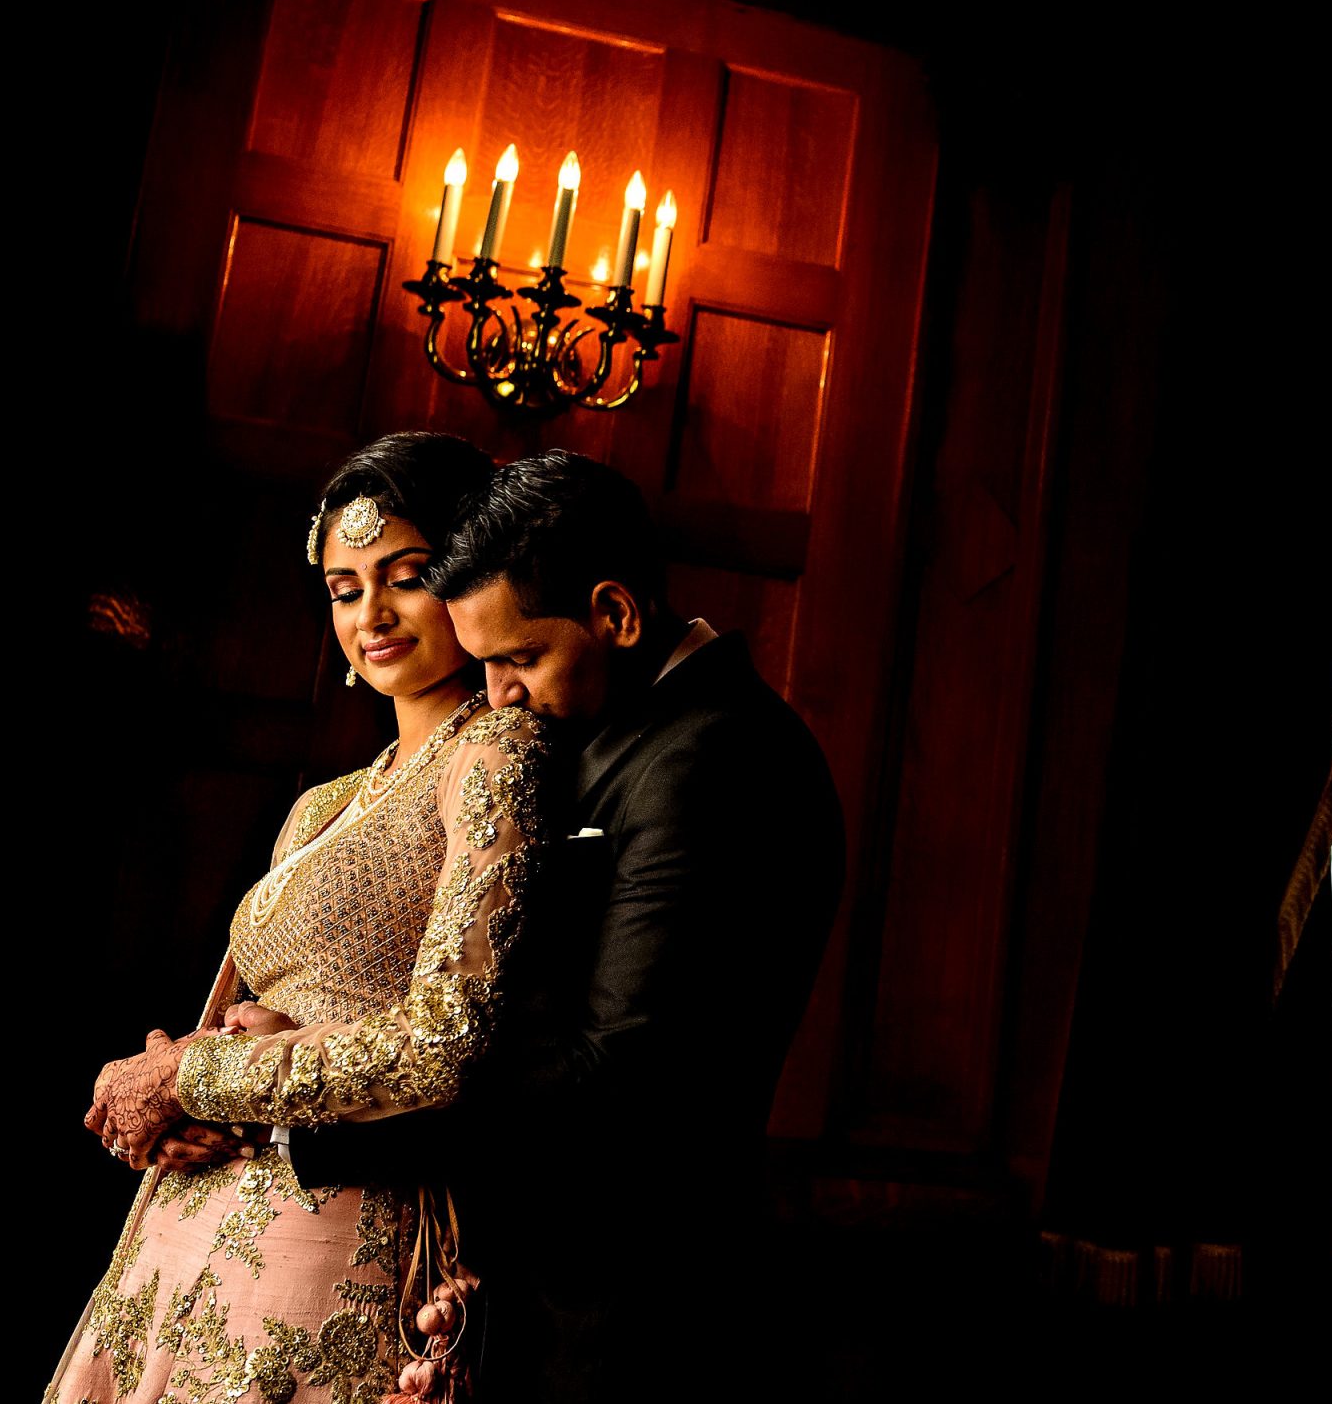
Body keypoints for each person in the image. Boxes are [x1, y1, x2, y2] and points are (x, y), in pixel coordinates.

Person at [277, 449, 847, 1397]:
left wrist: (303, 1111)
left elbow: (608, 1080)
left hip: (623, 1312)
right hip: (531, 1285)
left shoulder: (716, 757)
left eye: (519, 657)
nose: (499, 693)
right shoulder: (625, 730)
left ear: (615, 614)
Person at [49, 431, 542, 1404]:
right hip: (185, 1233)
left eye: (406, 576)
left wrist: (196, 1076)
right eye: (344, 589)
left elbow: (444, 1041)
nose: (372, 615)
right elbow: (236, 1018)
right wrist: (170, 1101)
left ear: (469, 574)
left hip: (328, 1225)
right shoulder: (325, 802)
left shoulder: (491, 755)